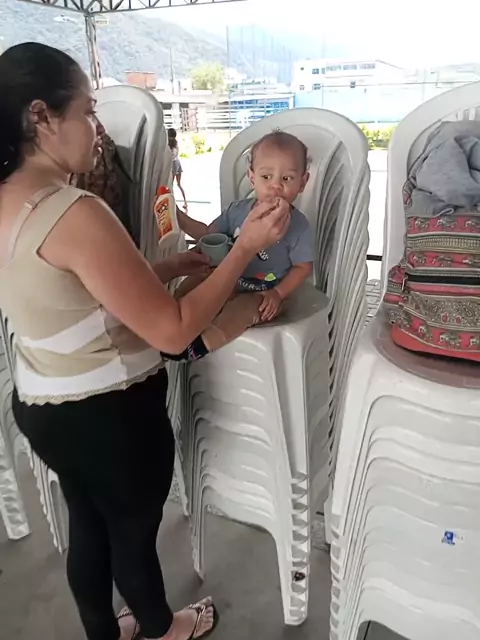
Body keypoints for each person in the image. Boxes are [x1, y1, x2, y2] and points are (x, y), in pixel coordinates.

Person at [0, 42, 290, 640]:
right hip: (109, 417)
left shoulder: (11, 203)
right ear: (41, 117)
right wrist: (242, 250)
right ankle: (162, 628)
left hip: (45, 407)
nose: (98, 130)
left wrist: (168, 267)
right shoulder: (74, 211)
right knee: (131, 534)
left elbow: (72, 294)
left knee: (89, 525)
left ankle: (104, 633)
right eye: (87, 111)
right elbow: (174, 329)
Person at [172, 131, 314, 358]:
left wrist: (278, 293)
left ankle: (200, 345)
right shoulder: (236, 211)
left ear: (302, 182)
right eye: (266, 177)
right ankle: (168, 321)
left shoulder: (299, 226)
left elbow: (303, 267)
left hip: (264, 292)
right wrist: (178, 217)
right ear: (252, 176)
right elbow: (208, 234)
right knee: (196, 281)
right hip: (227, 282)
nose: (276, 186)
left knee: (244, 310)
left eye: (286, 179)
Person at [168, 127, 187, 210]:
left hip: (172, 164)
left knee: (170, 186)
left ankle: (172, 204)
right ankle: (185, 202)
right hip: (178, 163)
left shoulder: (168, 145)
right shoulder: (176, 144)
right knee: (179, 184)